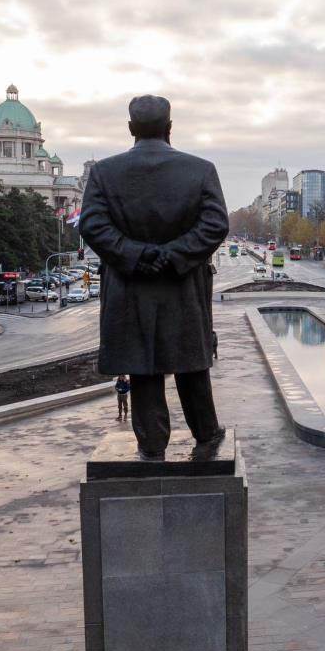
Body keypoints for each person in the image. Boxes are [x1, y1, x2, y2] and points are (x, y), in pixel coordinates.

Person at [79, 94, 229, 461]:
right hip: (184, 287)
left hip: (130, 288)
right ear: (170, 128)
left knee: (143, 365)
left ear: (131, 129)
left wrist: (136, 255)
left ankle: (151, 444)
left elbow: (93, 226)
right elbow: (215, 225)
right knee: (191, 364)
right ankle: (206, 435)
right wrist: (172, 256)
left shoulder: (104, 172)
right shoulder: (201, 170)